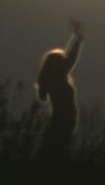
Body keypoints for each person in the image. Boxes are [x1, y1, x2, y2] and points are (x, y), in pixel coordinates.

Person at [36, 19, 84, 162]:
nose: (63, 62)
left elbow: (69, 57)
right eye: (60, 61)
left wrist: (76, 36)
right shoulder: (56, 78)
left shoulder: (48, 79)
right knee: (59, 150)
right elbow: (70, 58)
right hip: (63, 118)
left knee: (55, 148)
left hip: (61, 118)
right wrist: (77, 37)